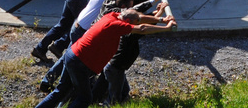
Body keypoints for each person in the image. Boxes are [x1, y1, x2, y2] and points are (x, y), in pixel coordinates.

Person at [39, 0, 162, 92]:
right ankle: (59, 84)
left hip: (79, 25)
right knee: (72, 58)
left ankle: (50, 81)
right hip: (82, 30)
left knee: (70, 56)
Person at [34, 9, 176, 108]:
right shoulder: (116, 25)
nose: (136, 23)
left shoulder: (113, 15)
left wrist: (161, 19)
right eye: (133, 22)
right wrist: (167, 28)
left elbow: (138, 18)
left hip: (73, 55)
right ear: (127, 21)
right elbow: (142, 28)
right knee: (85, 98)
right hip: (80, 62)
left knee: (61, 90)